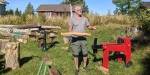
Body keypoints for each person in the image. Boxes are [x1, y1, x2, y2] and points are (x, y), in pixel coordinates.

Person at [68, 5, 96, 75]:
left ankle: (84, 66)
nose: (80, 11)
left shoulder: (85, 19)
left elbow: (88, 26)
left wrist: (92, 27)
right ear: (75, 11)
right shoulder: (72, 19)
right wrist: (69, 37)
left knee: (85, 53)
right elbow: (70, 29)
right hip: (75, 39)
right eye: (78, 10)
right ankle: (77, 68)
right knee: (76, 54)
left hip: (83, 39)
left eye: (81, 9)